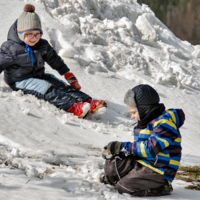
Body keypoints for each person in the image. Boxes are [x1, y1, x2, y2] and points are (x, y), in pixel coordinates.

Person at [0, 4, 106, 118]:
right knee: (46, 87)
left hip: (38, 75)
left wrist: (68, 75)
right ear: (21, 34)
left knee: (59, 84)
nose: (34, 38)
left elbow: (55, 60)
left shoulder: (42, 45)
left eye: (37, 34)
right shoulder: (11, 48)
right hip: (19, 80)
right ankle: (74, 106)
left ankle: (88, 101)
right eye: (29, 34)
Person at [101, 84, 185, 197]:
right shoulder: (146, 122)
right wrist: (117, 151)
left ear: (144, 108)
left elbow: (150, 149)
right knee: (112, 165)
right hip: (142, 164)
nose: (132, 116)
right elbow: (138, 148)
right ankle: (123, 179)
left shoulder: (165, 124)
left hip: (159, 170)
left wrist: (123, 146)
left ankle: (162, 188)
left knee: (124, 187)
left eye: (134, 112)